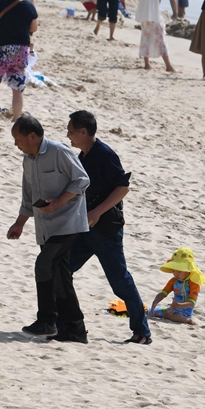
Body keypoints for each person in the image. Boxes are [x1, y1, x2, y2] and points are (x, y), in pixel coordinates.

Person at [66, 111, 151, 344]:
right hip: (84, 228)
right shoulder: (83, 155)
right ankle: (65, 323)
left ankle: (142, 332)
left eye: (71, 131)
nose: (68, 135)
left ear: (83, 132)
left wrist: (97, 211)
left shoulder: (104, 154)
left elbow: (123, 188)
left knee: (120, 282)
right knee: (61, 269)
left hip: (106, 231)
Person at [7, 112, 90, 342]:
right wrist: (20, 223)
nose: (16, 144)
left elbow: (82, 180)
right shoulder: (27, 160)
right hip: (46, 227)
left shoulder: (58, 151)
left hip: (69, 222)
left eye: (18, 139)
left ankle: (47, 320)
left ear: (32, 136)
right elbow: (28, 196)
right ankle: (75, 330)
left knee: (44, 264)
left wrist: (59, 202)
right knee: (60, 277)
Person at [135, 0, 175, 73]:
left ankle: (147, 63)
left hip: (143, 13)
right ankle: (168, 66)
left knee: (145, 37)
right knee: (161, 38)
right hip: (153, 14)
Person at [147, 247, 205, 322]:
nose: (175, 274)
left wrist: (178, 305)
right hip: (173, 308)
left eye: (179, 271)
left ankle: (188, 320)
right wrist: (156, 301)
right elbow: (163, 293)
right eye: (173, 271)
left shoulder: (193, 283)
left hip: (185, 312)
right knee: (149, 312)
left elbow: (191, 303)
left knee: (171, 316)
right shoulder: (173, 281)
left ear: (188, 270)